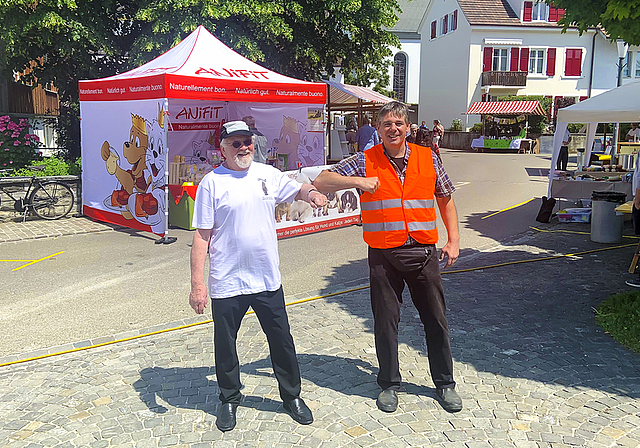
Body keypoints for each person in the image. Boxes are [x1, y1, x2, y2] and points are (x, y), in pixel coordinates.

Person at [313, 101, 463, 414]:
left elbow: (445, 199)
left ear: (408, 128)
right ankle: (389, 384)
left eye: (398, 123)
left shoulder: (429, 157)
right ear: (379, 129)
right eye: (386, 124)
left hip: (423, 253)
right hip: (383, 256)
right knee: (385, 324)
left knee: (436, 321)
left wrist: (454, 240)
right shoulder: (365, 161)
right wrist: (358, 182)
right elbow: (322, 180)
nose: (393, 129)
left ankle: (445, 384)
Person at [189, 120, 327, 432]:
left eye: (247, 141)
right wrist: (198, 284)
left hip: (266, 278)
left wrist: (313, 193)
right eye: (235, 143)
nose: (243, 148)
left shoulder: (267, 174)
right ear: (222, 148)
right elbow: (201, 235)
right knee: (225, 344)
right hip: (227, 281)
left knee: (281, 340)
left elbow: (299, 187)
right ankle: (229, 398)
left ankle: (291, 396)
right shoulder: (211, 183)